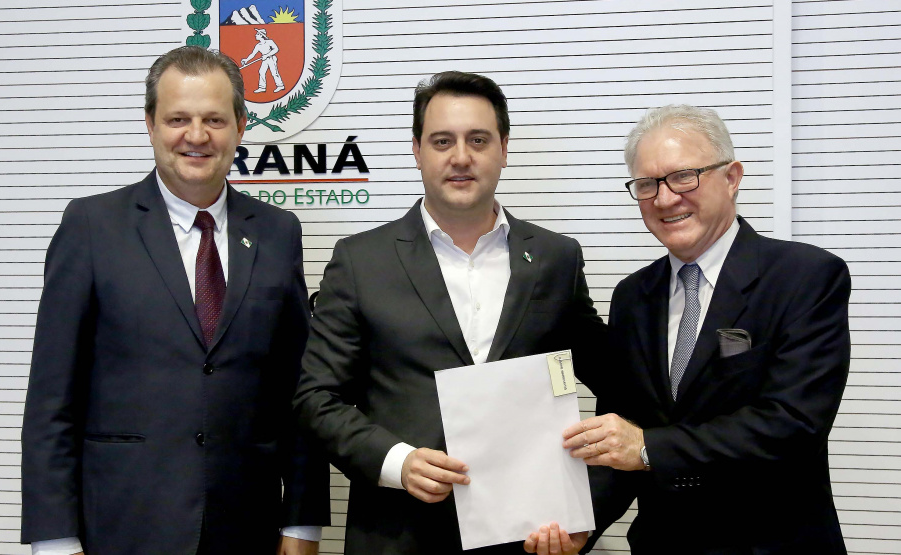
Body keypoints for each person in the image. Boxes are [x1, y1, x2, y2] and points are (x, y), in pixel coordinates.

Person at [20, 46, 328, 555]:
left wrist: (302, 525)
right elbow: (52, 399)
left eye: (214, 119)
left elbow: (297, 391)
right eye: (178, 119)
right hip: (121, 527)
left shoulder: (278, 233)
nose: (197, 136)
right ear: (150, 124)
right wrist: (54, 539)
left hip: (246, 529)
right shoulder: (91, 226)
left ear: (240, 126)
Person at [292, 71, 606, 555]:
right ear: (417, 151)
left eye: (478, 140)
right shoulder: (360, 261)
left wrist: (584, 506)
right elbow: (316, 398)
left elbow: (618, 386)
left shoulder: (556, 259)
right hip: (398, 535)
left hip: (526, 538)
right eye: (443, 141)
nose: (461, 157)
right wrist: (397, 462)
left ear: (504, 148)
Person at [560, 105, 850, 554]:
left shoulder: (804, 277)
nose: (664, 199)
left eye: (683, 177)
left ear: (731, 177)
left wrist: (648, 447)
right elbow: (621, 434)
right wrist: (579, 527)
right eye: (646, 184)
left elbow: (793, 425)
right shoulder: (633, 296)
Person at [242, 28, 284, 93]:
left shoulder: (269, 42)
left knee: (274, 72)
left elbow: (276, 49)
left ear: (261, 35)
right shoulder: (258, 45)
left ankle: (280, 85)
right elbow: (253, 54)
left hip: (271, 58)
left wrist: (267, 55)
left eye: (257, 34)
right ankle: (262, 87)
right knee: (261, 71)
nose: (255, 35)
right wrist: (246, 60)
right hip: (265, 59)